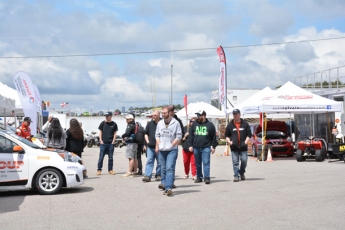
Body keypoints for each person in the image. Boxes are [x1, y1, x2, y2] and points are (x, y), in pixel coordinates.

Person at [155, 106, 182, 196]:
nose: (163, 114)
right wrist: (159, 144)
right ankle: (165, 184)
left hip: (172, 150)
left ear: (169, 113)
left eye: (165, 113)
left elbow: (179, 136)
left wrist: (172, 145)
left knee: (169, 168)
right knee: (163, 168)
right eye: (162, 113)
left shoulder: (176, 123)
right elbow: (157, 135)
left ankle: (168, 188)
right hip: (162, 149)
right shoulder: (160, 123)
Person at [188, 110, 217, 184]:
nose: (198, 117)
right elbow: (191, 136)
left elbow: (214, 137)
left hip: (206, 147)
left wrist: (213, 146)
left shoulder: (210, 125)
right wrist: (190, 145)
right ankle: (199, 177)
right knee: (197, 163)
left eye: (199, 115)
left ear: (204, 116)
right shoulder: (194, 125)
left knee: (206, 162)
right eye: (197, 115)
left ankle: (207, 177)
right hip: (196, 147)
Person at [225, 109, 252, 182]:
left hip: (243, 147)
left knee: (244, 160)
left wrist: (245, 142)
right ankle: (236, 175)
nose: (235, 116)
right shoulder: (230, 125)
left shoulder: (245, 124)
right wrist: (229, 142)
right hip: (234, 147)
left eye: (236, 114)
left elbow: (249, 134)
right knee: (235, 161)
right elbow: (227, 135)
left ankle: (242, 172)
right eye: (234, 114)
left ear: (239, 114)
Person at [142, 111, 161, 182]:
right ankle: (147, 176)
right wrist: (147, 142)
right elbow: (145, 133)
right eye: (153, 115)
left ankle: (158, 175)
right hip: (150, 146)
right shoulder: (150, 124)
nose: (153, 116)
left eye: (155, 115)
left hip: (160, 146)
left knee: (160, 162)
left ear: (159, 115)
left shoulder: (162, 123)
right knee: (149, 160)